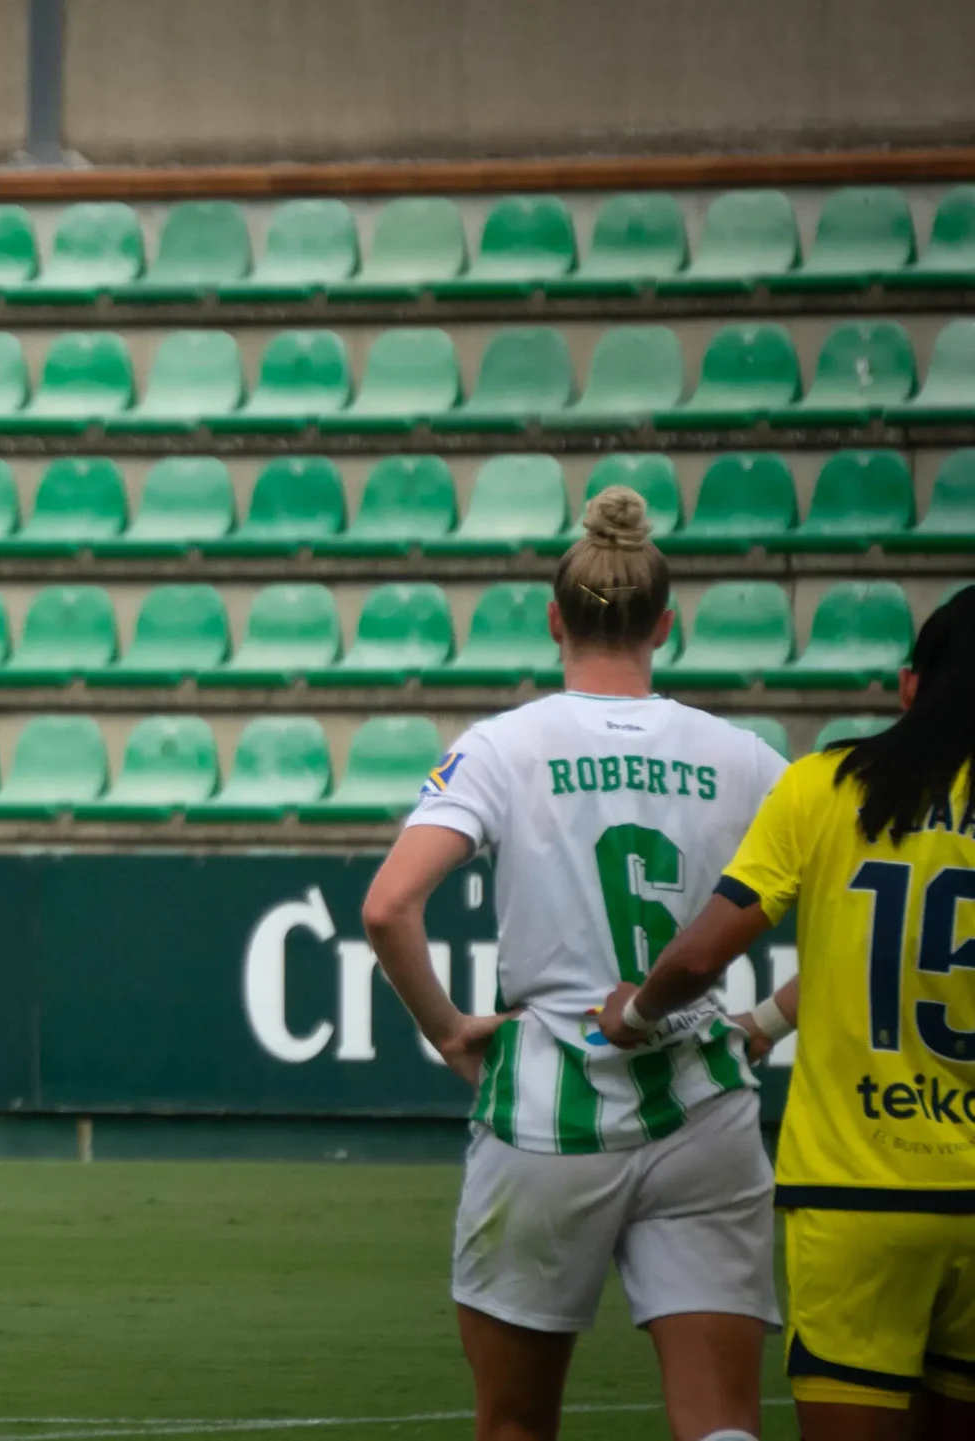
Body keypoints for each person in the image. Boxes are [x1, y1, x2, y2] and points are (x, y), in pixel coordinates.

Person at [359, 486, 783, 1441]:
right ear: (664, 625)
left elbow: (388, 905)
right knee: (721, 1422)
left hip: (551, 1109)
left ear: (555, 619)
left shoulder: (503, 748)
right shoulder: (749, 759)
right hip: (705, 1102)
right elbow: (846, 909)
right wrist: (769, 1018)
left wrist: (447, 1029)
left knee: (517, 1424)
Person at [606, 587, 975, 1439]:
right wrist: (767, 1022)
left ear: (909, 685)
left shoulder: (830, 784)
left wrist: (636, 1009)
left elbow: (702, 953)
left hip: (861, 1195)